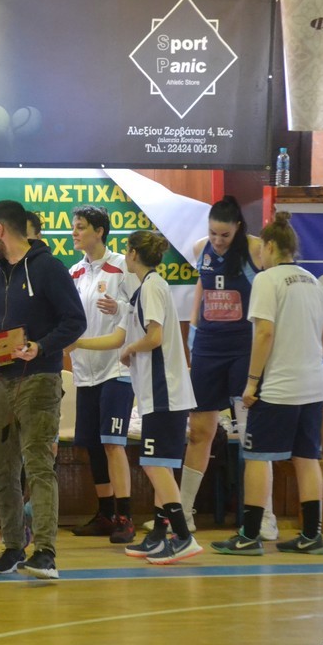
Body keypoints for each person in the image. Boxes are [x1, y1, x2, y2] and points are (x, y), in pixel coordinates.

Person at [0, 200, 86, 580]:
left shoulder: (48, 268)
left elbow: (76, 321)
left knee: (38, 464)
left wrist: (42, 346)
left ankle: (46, 553)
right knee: (1, 468)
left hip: (39, 379)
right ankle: (12, 547)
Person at [75, 230, 202, 564]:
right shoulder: (145, 290)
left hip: (164, 392)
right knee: (160, 465)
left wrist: (130, 348)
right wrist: (120, 314)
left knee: (154, 464)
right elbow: (135, 322)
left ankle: (183, 536)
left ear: (132, 254)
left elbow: (154, 336)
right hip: (158, 393)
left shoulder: (152, 287)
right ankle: (159, 536)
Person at [212, 211, 323, 556]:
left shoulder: (267, 280)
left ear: (269, 247)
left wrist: (251, 383)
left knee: (256, 456)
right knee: (306, 458)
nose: (257, 255)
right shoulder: (313, 281)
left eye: (259, 249)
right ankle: (312, 535)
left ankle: (249, 536)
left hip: (279, 387)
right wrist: (308, 362)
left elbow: (264, 333)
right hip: (313, 384)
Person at [180, 196, 278, 540]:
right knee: (199, 432)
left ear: (238, 227)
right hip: (208, 349)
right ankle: (184, 514)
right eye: (213, 233)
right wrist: (193, 333)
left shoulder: (256, 250)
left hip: (243, 350)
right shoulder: (201, 249)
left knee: (252, 436)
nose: (218, 241)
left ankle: (264, 516)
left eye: (224, 235)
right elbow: (202, 288)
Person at [67, 205, 138, 544]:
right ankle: (106, 514)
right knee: (93, 445)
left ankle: (126, 517)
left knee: (112, 443)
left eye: (81, 226)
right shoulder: (74, 273)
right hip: (85, 372)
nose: (74, 232)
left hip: (116, 370)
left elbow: (142, 310)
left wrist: (120, 307)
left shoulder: (123, 267)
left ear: (99, 231)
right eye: (74, 226)